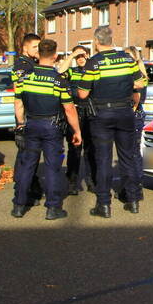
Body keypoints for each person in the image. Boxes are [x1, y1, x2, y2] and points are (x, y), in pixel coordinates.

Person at [11, 38, 82, 220]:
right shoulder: (58, 80)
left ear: (39, 54)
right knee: (53, 167)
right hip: (52, 127)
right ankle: (53, 208)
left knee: (27, 165)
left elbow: (18, 103)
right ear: (55, 56)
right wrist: (77, 131)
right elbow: (69, 108)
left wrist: (20, 124)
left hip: (31, 124)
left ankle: (18, 206)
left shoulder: (25, 77)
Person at [76, 26, 141, 218]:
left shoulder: (93, 63)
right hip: (125, 112)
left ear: (96, 42)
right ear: (112, 40)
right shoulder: (128, 59)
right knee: (127, 157)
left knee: (103, 160)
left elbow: (82, 93)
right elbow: (139, 83)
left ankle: (103, 204)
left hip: (101, 114)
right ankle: (133, 200)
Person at [11, 33, 44, 203]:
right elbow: (20, 95)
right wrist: (21, 123)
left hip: (31, 114)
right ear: (25, 47)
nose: (38, 50)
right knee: (25, 155)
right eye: (34, 47)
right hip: (25, 116)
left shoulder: (32, 63)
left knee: (30, 155)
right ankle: (22, 190)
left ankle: (30, 187)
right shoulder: (22, 65)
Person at [64, 45, 97, 195]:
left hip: (90, 112)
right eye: (78, 57)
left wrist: (89, 60)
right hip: (75, 112)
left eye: (83, 56)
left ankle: (92, 181)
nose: (80, 59)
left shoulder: (93, 70)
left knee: (90, 149)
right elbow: (59, 70)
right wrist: (71, 56)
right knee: (74, 149)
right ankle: (72, 182)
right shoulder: (71, 71)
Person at [118, 45, 149, 205]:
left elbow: (136, 98)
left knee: (130, 153)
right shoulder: (140, 74)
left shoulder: (136, 76)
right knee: (134, 152)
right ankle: (136, 187)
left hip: (132, 115)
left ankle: (133, 189)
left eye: (128, 56)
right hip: (136, 115)